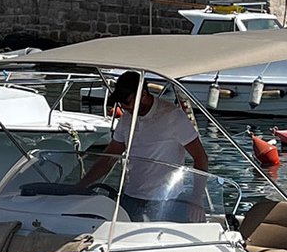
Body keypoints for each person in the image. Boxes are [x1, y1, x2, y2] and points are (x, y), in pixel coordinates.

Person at [83, 72, 208, 220]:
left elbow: (200, 158)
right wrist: (82, 185)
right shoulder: (126, 119)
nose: (124, 106)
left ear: (143, 94)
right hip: (131, 197)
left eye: (127, 102)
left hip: (166, 200)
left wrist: (196, 198)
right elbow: (109, 158)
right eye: (121, 103)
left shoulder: (174, 116)